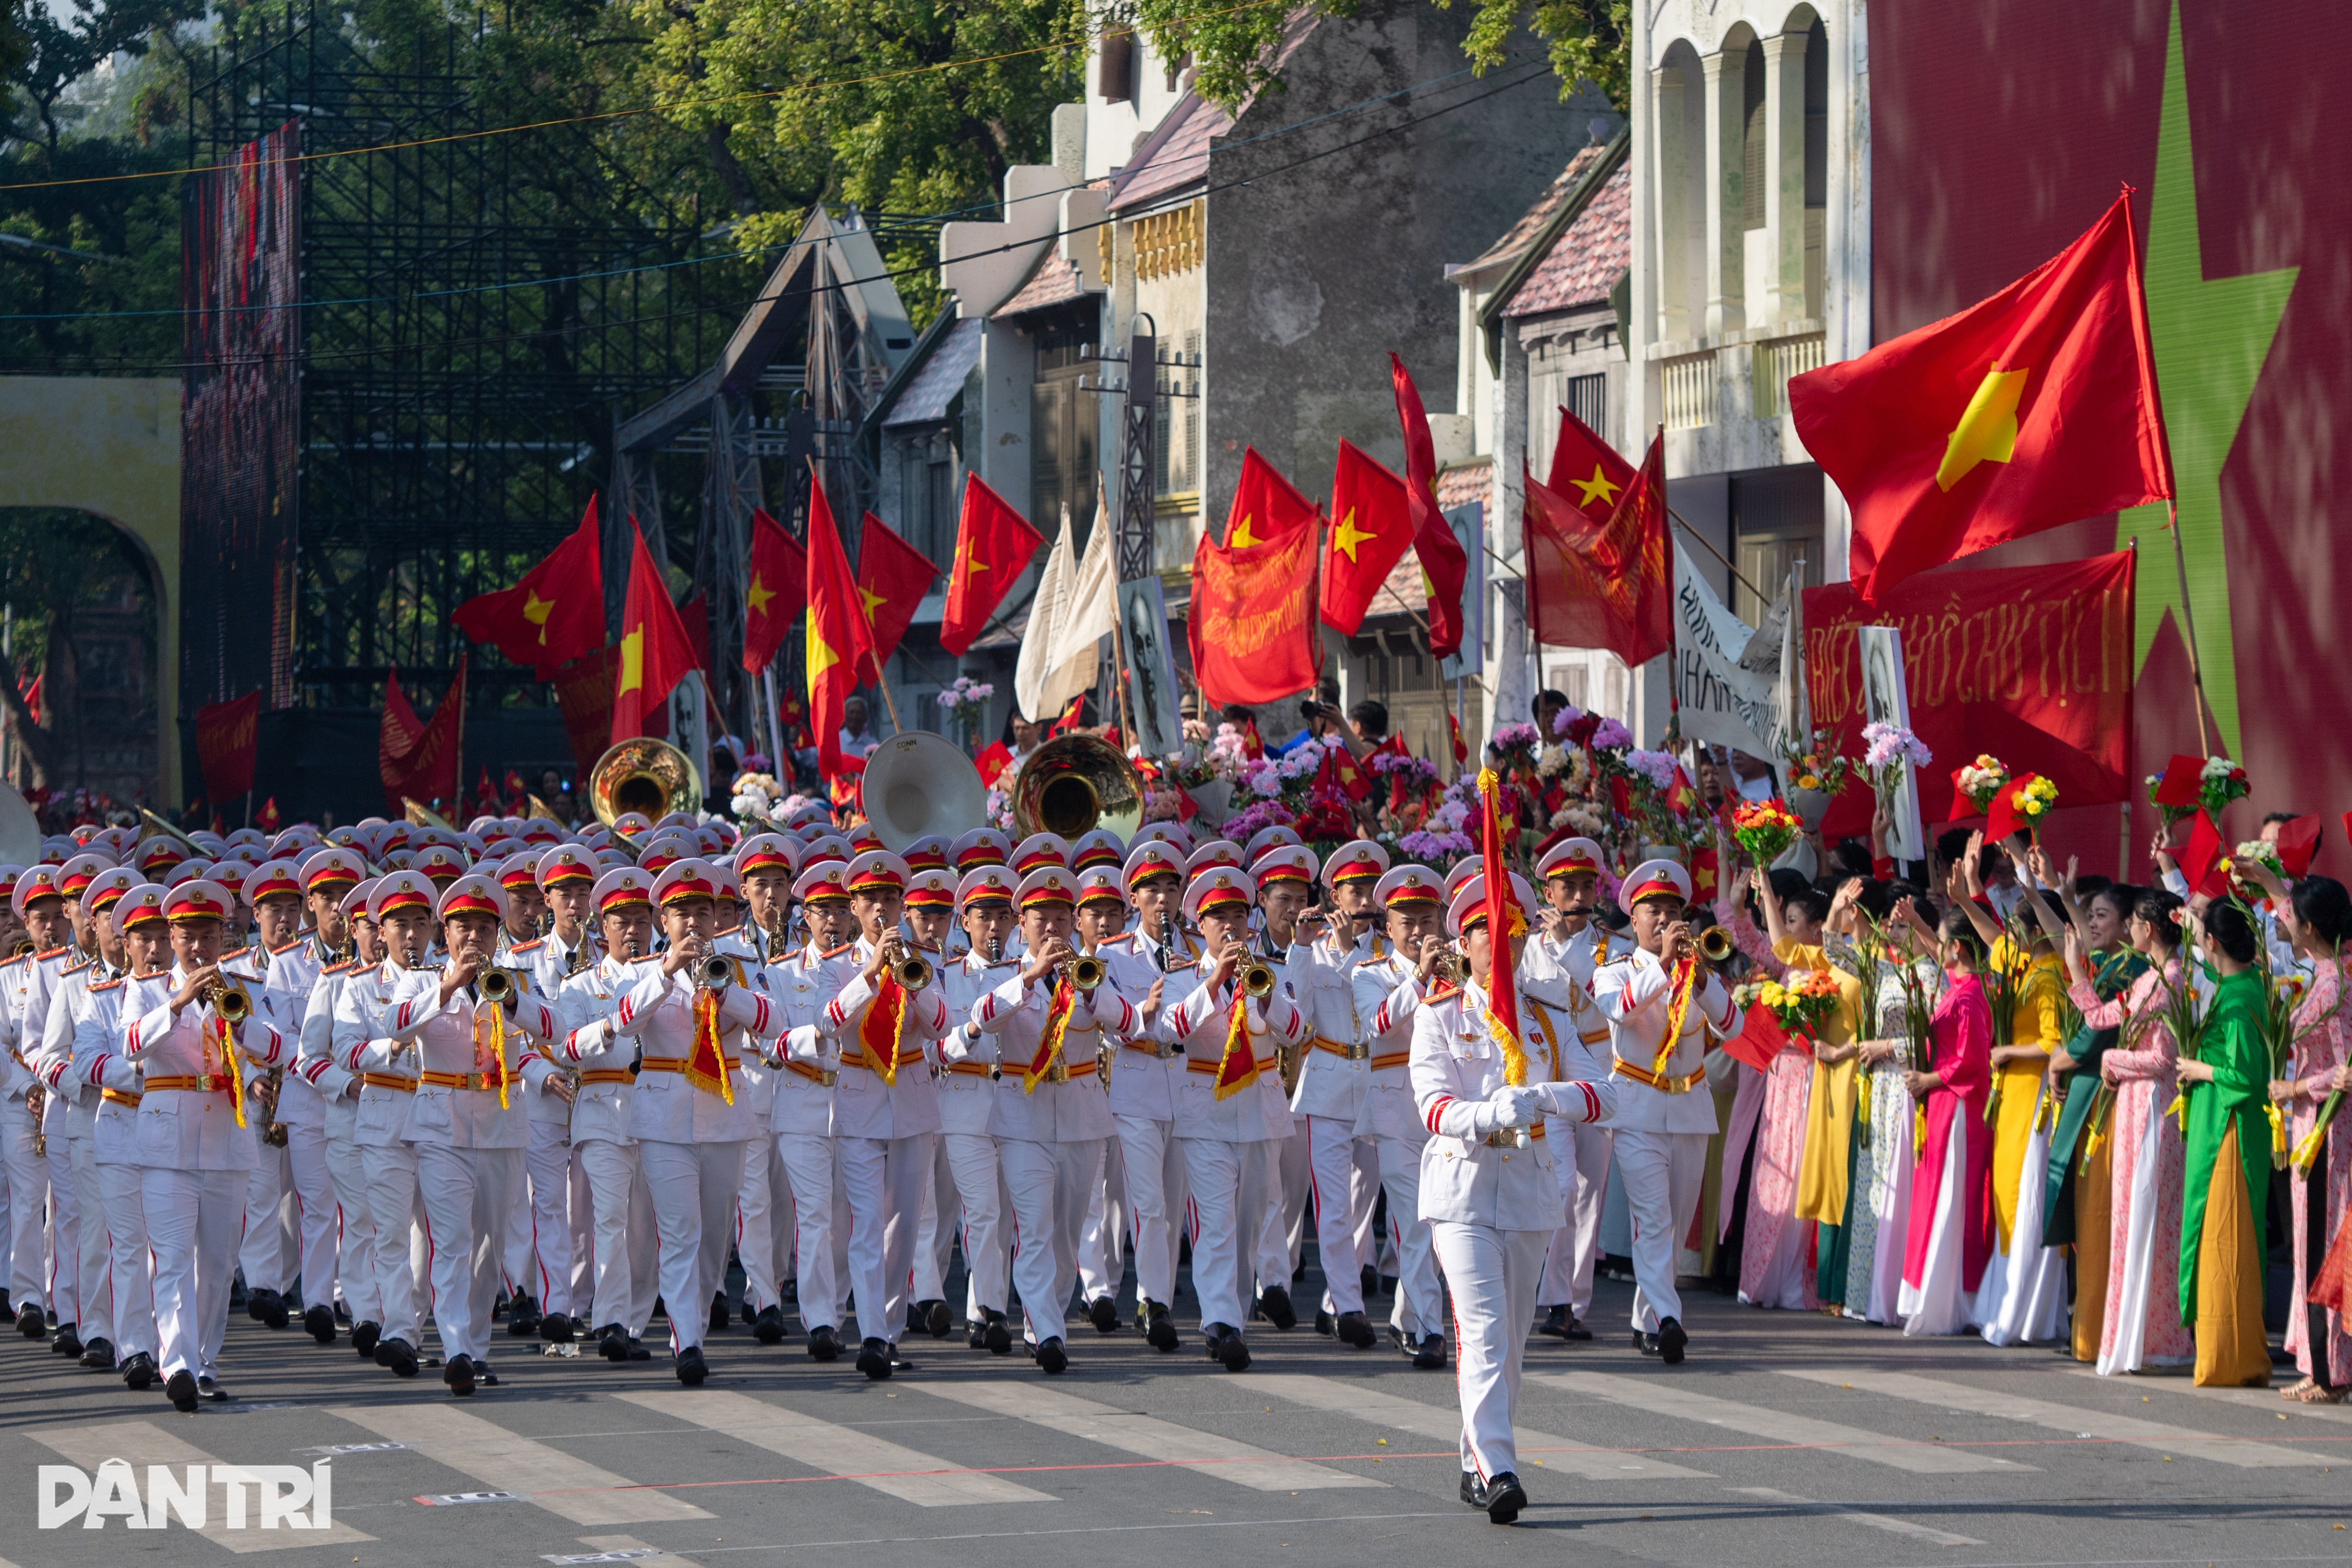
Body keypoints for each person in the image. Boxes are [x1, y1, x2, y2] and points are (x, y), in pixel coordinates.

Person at [1412, 868, 1615, 1525]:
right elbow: (1432, 1105)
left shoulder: (1549, 1017)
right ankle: (1499, 1467)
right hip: (1462, 1189)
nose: (1504, 945)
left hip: (1529, 1188)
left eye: (1515, 933)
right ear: (1463, 941)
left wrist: (1541, 1098)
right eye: (1489, 933)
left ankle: (1475, 1458)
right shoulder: (1441, 1012)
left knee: (1515, 1341)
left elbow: (1603, 1094)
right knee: (1484, 1332)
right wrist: (1488, 1115)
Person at [374, 874, 565, 1396]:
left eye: (484, 927)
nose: (474, 938)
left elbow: (554, 1028)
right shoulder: (420, 981)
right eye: (463, 928)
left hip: (502, 1125)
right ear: (446, 932)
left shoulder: (515, 981)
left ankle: (476, 1348)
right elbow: (392, 1026)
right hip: (440, 1125)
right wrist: (447, 988)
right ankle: (456, 1346)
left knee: (490, 1248)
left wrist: (508, 1004)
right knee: (452, 1242)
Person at [595, 859, 778, 1386]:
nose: (693, 923)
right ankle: (687, 1343)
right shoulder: (642, 971)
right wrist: (667, 971)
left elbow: (775, 1023)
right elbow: (624, 1021)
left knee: (713, 1239)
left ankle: (693, 1324)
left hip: (725, 1118)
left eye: (703, 912)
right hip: (663, 1121)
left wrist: (728, 993)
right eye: (681, 914)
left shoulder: (739, 966)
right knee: (679, 1235)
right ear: (663, 920)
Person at [115, 878, 293, 1411]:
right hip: (165, 1143)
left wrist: (240, 1024)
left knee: (217, 1264)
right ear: (171, 936)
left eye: (208, 936)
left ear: (224, 936)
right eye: (188, 936)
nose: (198, 948)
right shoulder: (145, 988)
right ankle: (179, 1365)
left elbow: (281, 1049)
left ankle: (208, 1362)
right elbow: (129, 1048)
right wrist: (178, 1002)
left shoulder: (246, 987)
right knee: (171, 1259)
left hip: (226, 1140)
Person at [961, 866, 1137, 1373]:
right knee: (1034, 1229)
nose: (1053, 929)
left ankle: (1046, 1319)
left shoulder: (1095, 971)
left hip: (1083, 1116)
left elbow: (1128, 1024)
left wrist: (1086, 992)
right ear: (1022, 923)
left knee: (1066, 1236)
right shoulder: (1004, 973)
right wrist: (1031, 977)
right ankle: (1049, 1334)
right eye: (1042, 919)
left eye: (1063, 917)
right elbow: (982, 1014)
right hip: (1021, 1115)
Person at [1162, 864, 1309, 1370]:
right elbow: (1169, 1027)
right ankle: (1221, 1321)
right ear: (1199, 925)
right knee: (1217, 1223)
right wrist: (1213, 981)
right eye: (1217, 917)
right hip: (1205, 1111)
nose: (1229, 925)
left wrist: (1264, 992)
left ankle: (1234, 1317)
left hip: (1260, 1110)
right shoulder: (1182, 974)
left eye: (1237, 916)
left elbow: (1294, 1030)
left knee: (1251, 1224)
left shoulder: (1270, 967)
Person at [1595, 859, 1740, 1363]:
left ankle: (1647, 1318)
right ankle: (1669, 1318)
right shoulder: (1615, 969)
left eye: (1673, 910)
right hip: (1636, 1105)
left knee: (1675, 1223)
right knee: (1653, 1219)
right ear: (1633, 920)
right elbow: (1620, 1009)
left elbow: (1733, 1027)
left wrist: (1700, 979)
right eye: (1653, 911)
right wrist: (1661, 964)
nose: (1664, 920)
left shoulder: (1694, 969)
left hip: (1690, 1107)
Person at [814, 849, 950, 1380]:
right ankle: (871, 1334)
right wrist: (872, 975)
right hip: (857, 1098)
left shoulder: (923, 959)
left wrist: (908, 982)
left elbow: (940, 1025)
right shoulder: (834, 966)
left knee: (904, 1226)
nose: (880, 909)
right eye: (870, 900)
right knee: (866, 1225)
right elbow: (828, 1023)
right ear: (853, 907)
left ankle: (888, 1330)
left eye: (890, 899)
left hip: (912, 1100)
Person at [2062, 889, 2193, 1376]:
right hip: (2133, 1103)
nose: (2133, 930)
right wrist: (2077, 971)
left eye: (2135, 922)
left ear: (2149, 929)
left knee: (2149, 1215)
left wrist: (2111, 1059)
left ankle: (2156, 1337)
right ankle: (2135, 1334)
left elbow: (2163, 1059)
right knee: (2130, 1218)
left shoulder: (2170, 982)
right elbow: (2100, 1018)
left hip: (2155, 1108)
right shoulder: (2148, 980)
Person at [1353, 862, 1459, 1367]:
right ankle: (1431, 1331)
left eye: (1427, 920)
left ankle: (1404, 1317)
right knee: (1417, 1224)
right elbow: (1377, 1024)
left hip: (1448, 1112)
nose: (1419, 932)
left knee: (1439, 1223)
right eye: (1407, 922)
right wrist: (1419, 978)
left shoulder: (1457, 969)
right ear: (1386, 928)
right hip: (1396, 1112)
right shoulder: (1368, 973)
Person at [1520, 835, 1625, 1341]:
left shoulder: (1613, 947)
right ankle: (1554, 1298)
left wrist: (1568, 948)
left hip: (1600, 1080)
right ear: (1549, 890)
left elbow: (1608, 1000)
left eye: (1588, 886)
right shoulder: (1529, 948)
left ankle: (1574, 1302)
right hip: (1554, 1083)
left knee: (1589, 1195)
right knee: (1561, 1188)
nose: (1579, 896)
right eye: (1569, 886)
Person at [1285, 841, 1389, 1348]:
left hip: (1374, 1084)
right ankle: (1349, 1307)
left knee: (1363, 1204)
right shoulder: (1311, 948)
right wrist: (1303, 947)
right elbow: (1295, 1012)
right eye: (1355, 889)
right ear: (1334, 894)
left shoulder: (1389, 950)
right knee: (1332, 1207)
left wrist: (1351, 953)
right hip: (1325, 1081)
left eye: (1371, 889)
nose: (1366, 898)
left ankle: (1334, 1300)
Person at [1101, 840, 1196, 1348]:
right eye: (1151, 890)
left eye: (1169, 889)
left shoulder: (1197, 948)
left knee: (1175, 1203)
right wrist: (1146, 1006)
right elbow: (1113, 1026)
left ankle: (1156, 1291)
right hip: (1137, 1081)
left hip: (1185, 1080)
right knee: (1148, 1201)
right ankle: (1153, 1300)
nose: (1162, 899)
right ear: (1133, 899)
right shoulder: (1112, 953)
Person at [2179, 899, 2274, 1387]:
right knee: (2223, 1238)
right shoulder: (2239, 985)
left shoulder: (2238, 998)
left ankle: (2232, 1358)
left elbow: (2243, 1076)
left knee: (2225, 1240)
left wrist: (2199, 1069)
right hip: (2219, 1122)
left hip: (2228, 1130)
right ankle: (2227, 1353)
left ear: (2211, 942)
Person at [2264, 871, 2352, 1401]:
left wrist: (2295, 1085)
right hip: (2310, 1124)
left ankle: (2331, 1369)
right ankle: (2319, 1364)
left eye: (2290, 914)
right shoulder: (2329, 972)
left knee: (2321, 1242)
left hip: (2327, 1130)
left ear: (2311, 926)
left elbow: (2346, 1071)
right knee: (2309, 1244)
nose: (2281, 919)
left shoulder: (2333, 984)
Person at [1895, 908, 1993, 1337]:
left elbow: (1972, 1063)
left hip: (1957, 1106)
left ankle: (1949, 1297)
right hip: (1942, 1105)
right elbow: (1940, 950)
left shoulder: (1971, 995)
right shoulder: (1962, 984)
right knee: (1937, 1196)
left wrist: (1927, 1078)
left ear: (1957, 947)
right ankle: (1932, 1293)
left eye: (1940, 942)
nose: (1935, 950)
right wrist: (1916, 919)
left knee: (1951, 1199)